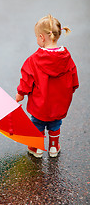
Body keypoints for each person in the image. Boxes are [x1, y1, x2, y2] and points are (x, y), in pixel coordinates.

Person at [16, 14, 79, 158]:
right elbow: (74, 79)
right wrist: (69, 91)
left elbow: (26, 80)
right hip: (59, 104)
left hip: (39, 104)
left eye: (36, 37)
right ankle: (53, 147)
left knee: (37, 124)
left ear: (42, 37)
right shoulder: (67, 58)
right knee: (55, 124)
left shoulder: (33, 60)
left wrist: (20, 94)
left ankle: (37, 148)